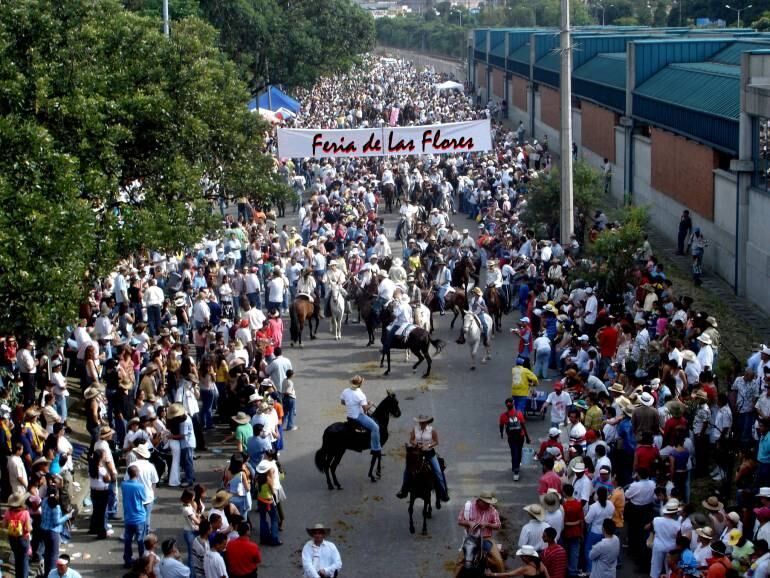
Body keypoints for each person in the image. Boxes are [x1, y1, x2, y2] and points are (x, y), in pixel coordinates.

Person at [396, 414, 449, 501]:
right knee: (407, 469)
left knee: (438, 471)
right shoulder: (415, 429)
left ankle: (443, 492)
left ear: (427, 422)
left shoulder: (432, 430)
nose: (422, 424)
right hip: (418, 452)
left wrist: (428, 446)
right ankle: (403, 490)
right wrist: (416, 444)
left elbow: (436, 442)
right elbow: (411, 440)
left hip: (429, 453)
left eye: (424, 422)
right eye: (420, 422)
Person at [456, 491, 504, 572]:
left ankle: (502, 575)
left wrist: (487, 524)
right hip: (471, 538)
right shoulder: (468, 507)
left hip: (486, 538)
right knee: (459, 563)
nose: (488, 505)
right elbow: (460, 521)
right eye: (486, 503)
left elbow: (498, 525)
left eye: (489, 503)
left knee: (499, 561)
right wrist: (469, 523)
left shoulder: (493, 510)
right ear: (479, 500)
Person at [339, 375, 381, 455]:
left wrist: (352, 404)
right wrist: (371, 404)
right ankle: (376, 449)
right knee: (375, 427)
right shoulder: (360, 394)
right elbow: (365, 408)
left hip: (349, 416)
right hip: (358, 416)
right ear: (360, 384)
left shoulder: (345, 391)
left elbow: (342, 402)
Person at [122, 464, 148, 568]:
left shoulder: (123, 484)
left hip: (128, 517)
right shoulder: (140, 486)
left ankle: (128, 561)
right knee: (140, 540)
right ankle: (142, 562)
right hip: (139, 517)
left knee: (128, 540)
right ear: (137, 474)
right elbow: (144, 498)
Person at [499, 398, 531, 481]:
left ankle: (515, 468)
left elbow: (501, 426)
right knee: (519, 451)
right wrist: (527, 437)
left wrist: (501, 434)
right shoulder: (519, 413)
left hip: (511, 437)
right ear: (513, 404)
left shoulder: (503, 416)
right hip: (520, 436)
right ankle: (517, 466)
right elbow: (523, 426)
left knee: (513, 452)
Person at [3, 491, 33, 578]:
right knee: (24, 560)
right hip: (23, 539)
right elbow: (28, 528)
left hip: (12, 539)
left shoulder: (8, 512)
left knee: (17, 559)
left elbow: (4, 525)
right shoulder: (25, 513)